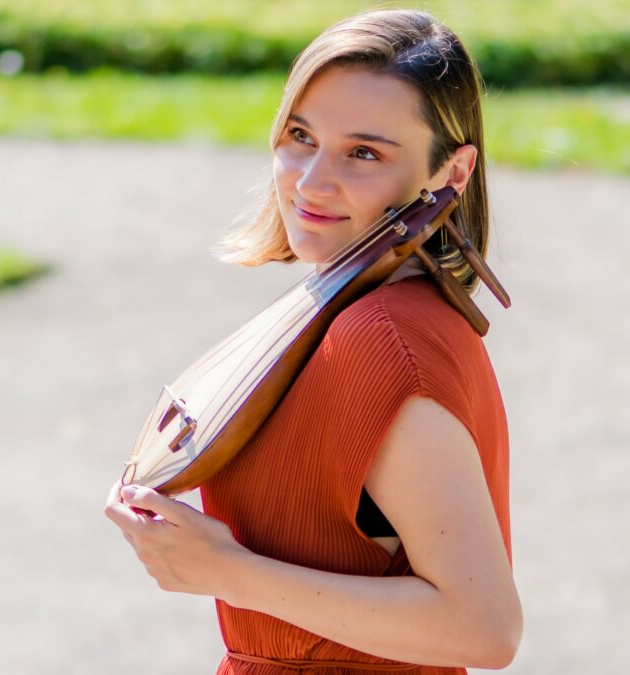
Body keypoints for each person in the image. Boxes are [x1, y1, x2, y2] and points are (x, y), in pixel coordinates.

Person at [105, 8, 522, 673]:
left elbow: (484, 627)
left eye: (364, 152)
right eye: (300, 135)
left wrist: (225, 570)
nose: (309, 180)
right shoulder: (370, 309)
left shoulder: (383, 338)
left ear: (453, 172)